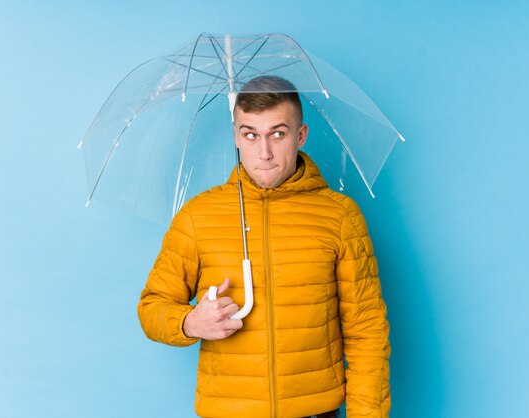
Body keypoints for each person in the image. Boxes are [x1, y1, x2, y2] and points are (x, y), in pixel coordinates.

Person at [138, 76, 390, 418]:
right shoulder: (198, 216)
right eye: (251, 135)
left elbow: (367, 332)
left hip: (315, 411)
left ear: (300, 136)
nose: (264, 152)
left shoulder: (340, 216)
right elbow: (152, 308)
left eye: (278, 133)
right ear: (237, 136)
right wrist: (190, 323)